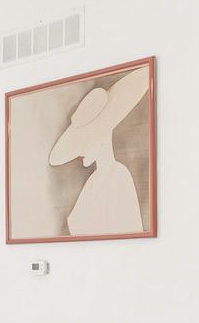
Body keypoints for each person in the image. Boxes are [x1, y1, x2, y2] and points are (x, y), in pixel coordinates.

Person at [47, 65, 149, 235]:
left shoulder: (118, 176)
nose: (79, 151)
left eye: (85, 142)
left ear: (101, 138)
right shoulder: (93, 182)